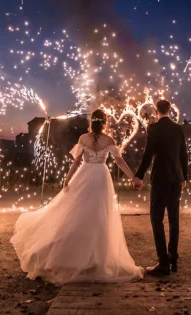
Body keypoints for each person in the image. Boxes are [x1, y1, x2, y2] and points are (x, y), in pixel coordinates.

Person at [11, 109, 143, 283]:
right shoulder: (109, 140)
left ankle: (75, 256)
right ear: (104, 122)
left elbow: (76, 161)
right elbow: (119, 161)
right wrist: (132, 177)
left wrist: (67, 179)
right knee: (99, 216)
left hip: (85, 175)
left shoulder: (83, 138)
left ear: (91, 122)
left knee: (77, 213)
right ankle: (96, 258)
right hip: (101, 178)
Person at [132, 99, 188, 276]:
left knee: (156, 218)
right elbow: (183, 154)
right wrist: (184, 177)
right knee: (174, 218)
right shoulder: (178, 129)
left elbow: (148, 154)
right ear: (170, 111)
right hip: (176, 179)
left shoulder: (153, 128)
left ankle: (163, 262)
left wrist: (139, 175)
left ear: (156, 111)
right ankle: (173, 257)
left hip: (160, 178)